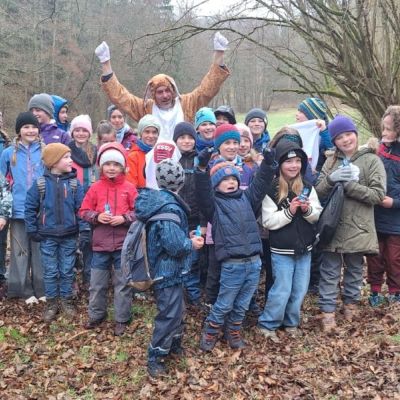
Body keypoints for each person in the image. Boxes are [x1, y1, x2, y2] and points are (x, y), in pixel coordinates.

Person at [195, 145, 276, 351]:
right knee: (225, 303)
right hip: (232, 265)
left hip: (254, 263)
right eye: (225, 180)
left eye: (233, 179)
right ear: (216, 185)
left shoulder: (247, 199)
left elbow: (261, 184)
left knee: (242, 303)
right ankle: (211, 331)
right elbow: (202, 192)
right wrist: (202, 168)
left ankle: (234, 332)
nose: (230, 182)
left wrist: (268, 164)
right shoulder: (214, 206)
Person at [315, 115, 386, 331]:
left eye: (348, 134)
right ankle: (328, 312)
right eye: (340, 137)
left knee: (354, 269)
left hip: (359, 226)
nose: (346, 140)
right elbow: (317, 191)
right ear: (334, 141)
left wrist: (349, 186)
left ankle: (350, 306)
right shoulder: (331, 161)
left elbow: (378, 195)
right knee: (329, 270)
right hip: (332, 225)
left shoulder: (371, 160)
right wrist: (332, 179)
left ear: (355, 134)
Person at [134, 158, 204, 377]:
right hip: (167, 271)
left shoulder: (161, 202)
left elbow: (168, 235)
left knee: (177, 309)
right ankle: (155, 357)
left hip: (168, 270)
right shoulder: (171, 208)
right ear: (181, 181)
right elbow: (174, 246)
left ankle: (173, 345)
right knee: (170, 314)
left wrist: (185, 235)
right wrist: (190, 243)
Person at [94, 32, 230, 140]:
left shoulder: (187, 103)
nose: (165, 95)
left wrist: (219, 54)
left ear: (173, 90)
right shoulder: (145, 109)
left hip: (182, 159)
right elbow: (121, 98)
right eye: (160, 92)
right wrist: (106, 64)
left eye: (167, 90)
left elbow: (206, 90)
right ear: (153, 94)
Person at [257, 140, 322, 341]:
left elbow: (317, 214)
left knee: (300, 289)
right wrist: (290, 211)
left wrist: (307, 210)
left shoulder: (308, 187)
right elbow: (268, 221)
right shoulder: (272, 189)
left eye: (297, 161)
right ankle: (268, 324)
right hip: (282, 250)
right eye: (289, 161)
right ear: (280, 164)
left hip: (304, 249)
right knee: (282, 289)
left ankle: (291, 322)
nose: (294, 165)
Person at [80, 142, 137, 336]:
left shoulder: (129, 188)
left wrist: (124, 218)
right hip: (100, 245)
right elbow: (83, 211)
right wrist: (97, 216)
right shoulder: (95, 188)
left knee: (122, 283)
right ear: (101, 166)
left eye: (116, 164)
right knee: (97, 283)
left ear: (122, 167)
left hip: (123, 245)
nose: (111, 168)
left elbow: (139, 212)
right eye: (107, 164)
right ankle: (96, 315)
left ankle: (122, 318)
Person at [25, 143, 85, 322]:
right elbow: (30, 207)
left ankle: (66, 301)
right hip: (47, 237)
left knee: (67, 270)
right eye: (66, 157)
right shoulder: (41, 184)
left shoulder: (74, 184)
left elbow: (81, 209)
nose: (71, 160)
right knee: (50, 271)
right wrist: (32, 230)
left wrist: (84, 229)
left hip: (69, 236)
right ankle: (51, 303)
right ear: (53, 162)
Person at [0, 112, 45, 302]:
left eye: (34, 127)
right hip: (17, 210)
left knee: (39, 250)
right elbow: (2, 183)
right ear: (19, 130)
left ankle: (41, 289)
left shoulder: (45, 151)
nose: (30, 130)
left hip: (40, 210)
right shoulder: (8, 153)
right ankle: (23, 290)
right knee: (20, 251)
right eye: (26, 127)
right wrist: (4, 211)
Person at [366, 105, 400, 305]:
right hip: (375, 216)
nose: (384, 133)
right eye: (383, 128)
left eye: (389, 129)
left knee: (394, 258)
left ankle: (395, 291)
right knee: (374, 256)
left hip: (396, 219)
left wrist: (394, 202)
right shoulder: (376, 149)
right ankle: (375, 291)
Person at [173, 122, 202, 306]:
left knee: (194, 258)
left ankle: (194, 296)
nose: (186, 141)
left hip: (195, 218)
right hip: (176, 217)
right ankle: (178, 293)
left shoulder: (199, 160)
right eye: (182, 137)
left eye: (190, 137)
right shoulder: (172, 159)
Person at [68, 115, 98, 288]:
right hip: (70, 203)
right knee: (71, 242)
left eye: (84, 130)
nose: (80, 133)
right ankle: (70, 280)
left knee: (89, 242)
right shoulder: (66, 151)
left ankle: (89, 278)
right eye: (77, 130)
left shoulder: (95, 151)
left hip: (91, 204)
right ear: (72, 132)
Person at [296, 97, 333, 172]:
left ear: (311, 116)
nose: (296, 114)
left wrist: (324, 132)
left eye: (300, 112)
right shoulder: (296, 132)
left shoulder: (325, 135)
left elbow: (333, 151)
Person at [126, 114, 160, 189]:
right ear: (141, 133)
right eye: (147, 132)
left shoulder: (161, 154)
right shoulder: (133, 157)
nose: (151, 136)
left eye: (154, 132)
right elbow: (131, 185)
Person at [0, 110, 11, 298]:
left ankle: (1, 276)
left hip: (3, 196)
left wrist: (3, 213)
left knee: (1, 242)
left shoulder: (7, 143)